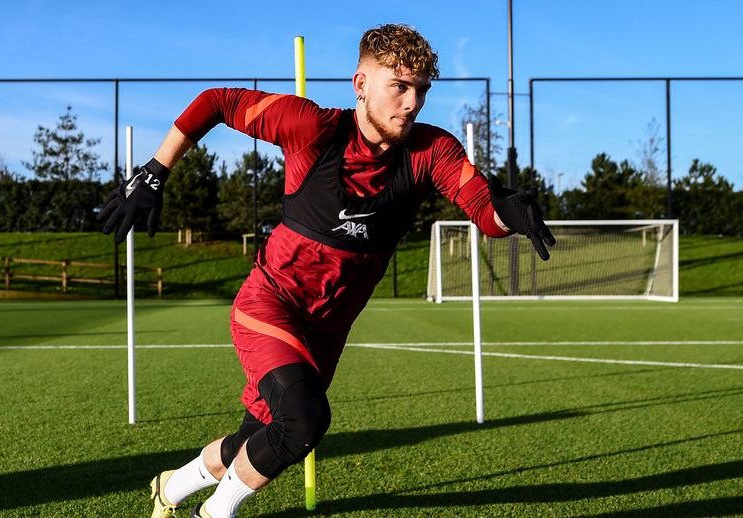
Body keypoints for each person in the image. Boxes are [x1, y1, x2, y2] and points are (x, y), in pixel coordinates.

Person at [99, 23, 554, 518]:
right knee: (303, 421)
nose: (412, 103)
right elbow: (216, 102)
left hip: (327, 330)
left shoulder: (431, 151)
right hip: (270, 304)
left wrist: (510, 213)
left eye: (421, 90)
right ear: (361, 85)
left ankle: (169, 488)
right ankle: (213, 514)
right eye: (399, 87)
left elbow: (483, 210)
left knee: (257, 438)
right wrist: (155, 171)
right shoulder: (309, 126)